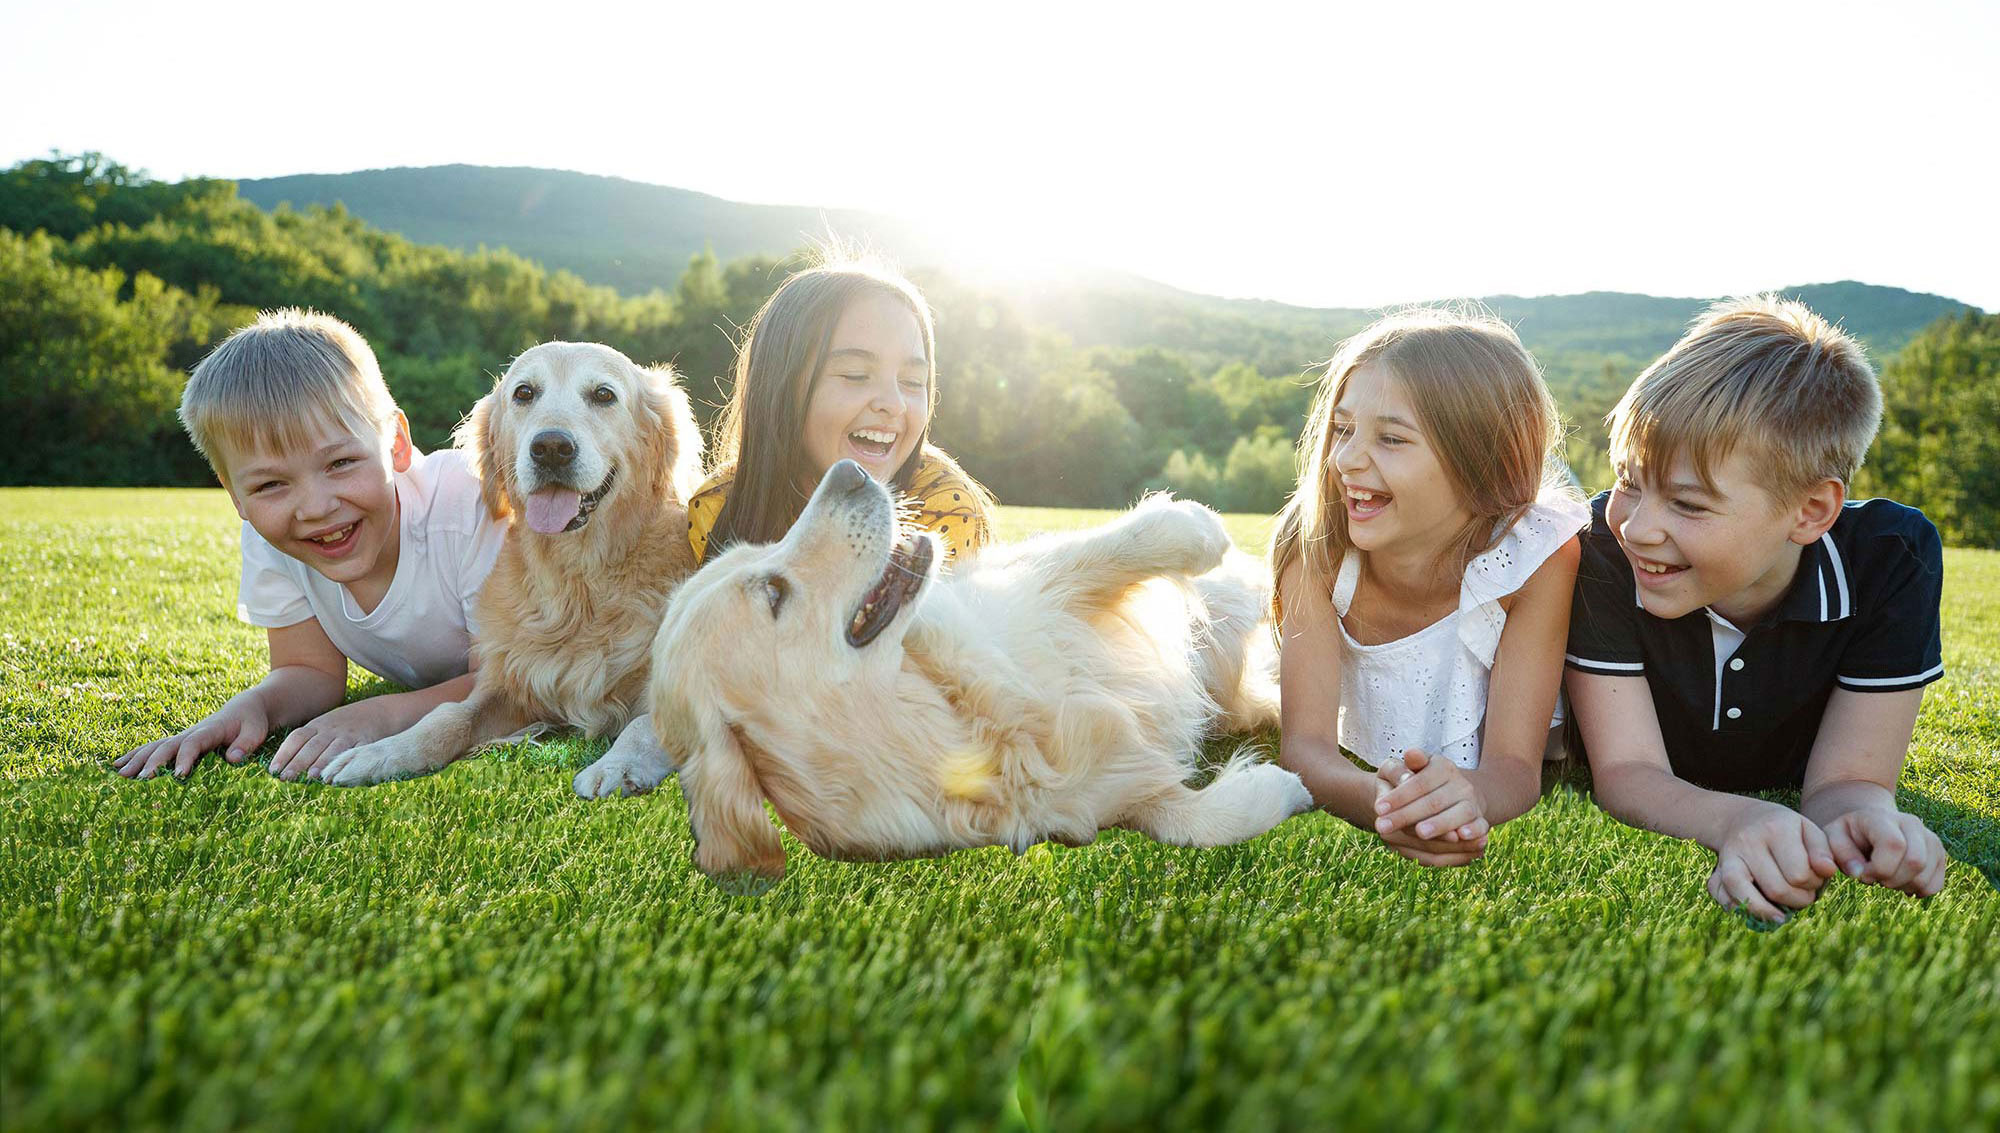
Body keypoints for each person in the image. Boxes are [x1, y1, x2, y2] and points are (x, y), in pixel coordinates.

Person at [1564, 296, 1948, 922]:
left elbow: (1847, 780)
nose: (1638, 527)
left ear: (1810, 511)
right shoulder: (1598, 550)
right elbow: (1628, 770)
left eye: (1688, 504)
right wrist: (1738, 818)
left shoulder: (1890, 559)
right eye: (1630, 482)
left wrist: (1872, 822)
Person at [115, 309, 503, 782]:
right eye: (270, 485)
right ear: (235, 494)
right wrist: (252, 706)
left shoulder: (469, 507)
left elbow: (514, 688)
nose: (316, 508)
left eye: (340, 462)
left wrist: (385, 715)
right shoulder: (274, 539)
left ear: (396, 443)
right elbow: (309, 669)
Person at [1271, 309, 1585, 867]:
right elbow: (1305, 749)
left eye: (1391, 438)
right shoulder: (1315, 543)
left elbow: (1514, 768)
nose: (1345, 459)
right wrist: (1386, 804)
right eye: (1342, 429)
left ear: (1480, 465)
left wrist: (1469, 801)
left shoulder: (1535, 557)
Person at [687, 260, 994, 563]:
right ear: (778, 388)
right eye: (855, 375)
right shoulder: (719, 509)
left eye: (913, 381)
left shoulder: (942, 508)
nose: (894, 403)